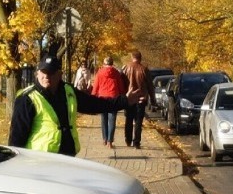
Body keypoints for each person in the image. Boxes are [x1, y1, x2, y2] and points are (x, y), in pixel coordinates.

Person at [9, 56, 143, 156]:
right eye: (43, 72)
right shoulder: (27, 98)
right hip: (40, 161)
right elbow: (16, 139)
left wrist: (124, 101)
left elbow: (95, 104)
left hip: (68, 157)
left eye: (51, 73)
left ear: (59, 74)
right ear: (37, 73)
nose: (46, 76)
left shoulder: (68, 91)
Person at [122, 51, 155, 149]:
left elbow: (122, 84)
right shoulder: (144, 69)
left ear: (132, 57)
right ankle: (136, 142)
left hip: (129, 98)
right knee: (138, 121)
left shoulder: (126, 68)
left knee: (128, 120)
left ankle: (128, 140)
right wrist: (153, 99)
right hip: (141, 98)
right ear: (140, 58)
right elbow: (150, 86)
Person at [92, 56, 126, 148]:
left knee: (104, 120)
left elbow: (96, 86)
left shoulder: (100, 73)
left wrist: (93, 96)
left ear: (104, 64)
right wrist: (123, 96)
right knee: (112, 120)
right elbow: (120, 86)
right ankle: (110, 142)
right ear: (112, 63)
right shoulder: (116, 73)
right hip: (113, 98)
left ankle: (104, 139)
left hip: (102, 97)